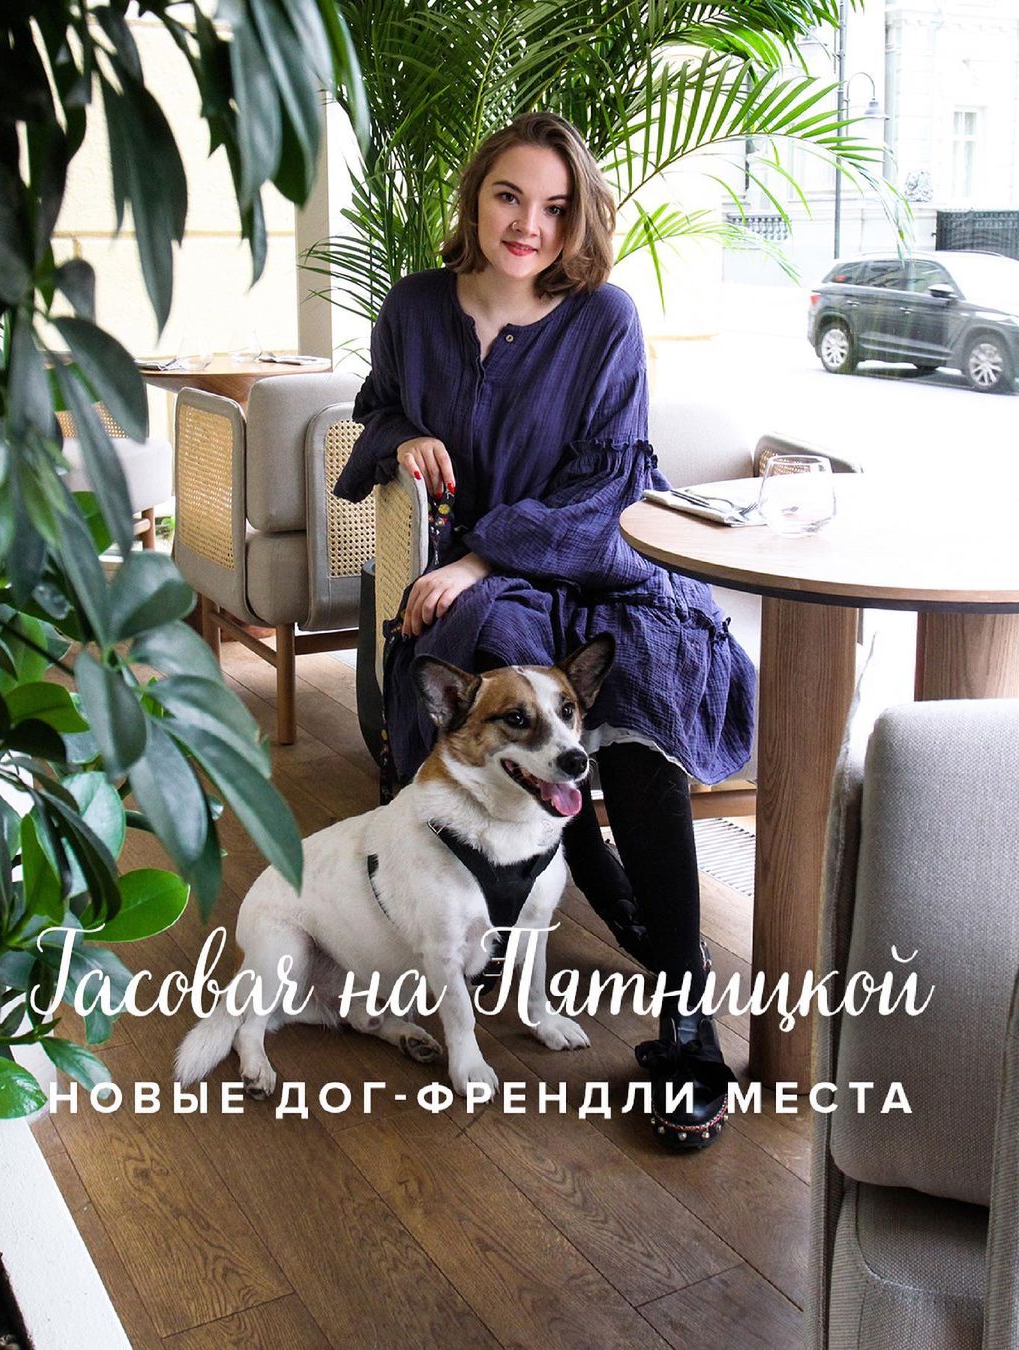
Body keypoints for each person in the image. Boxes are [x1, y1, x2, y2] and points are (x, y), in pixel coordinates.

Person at [335, 113, 754, 1149]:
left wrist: (481, 555)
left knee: (639, 711)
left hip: (598, 562)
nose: (530, 225)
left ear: (579, 220)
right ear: (476, 197)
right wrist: (406, 437)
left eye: (557, 208)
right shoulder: (415, 308)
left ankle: (687, 1017)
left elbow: (611, 485)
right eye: (510, 197)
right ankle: (603, 906)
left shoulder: (604, 318)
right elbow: (374, 410)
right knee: (494, 671)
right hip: (492, 586)